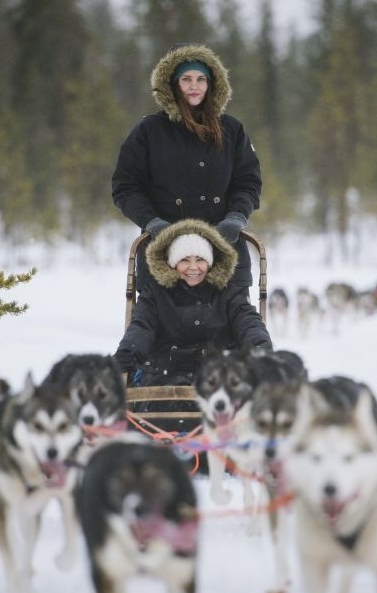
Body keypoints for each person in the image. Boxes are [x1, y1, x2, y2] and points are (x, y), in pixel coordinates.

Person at [111, 43, 262, 291]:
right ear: (172, 84)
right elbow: (125, 188)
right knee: (159, 325)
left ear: (212, 83)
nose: (194, 86)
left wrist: (237, 216)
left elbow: (248, 182)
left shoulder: (232, 130)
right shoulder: (148, 131)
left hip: (223, 249)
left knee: (236, 323)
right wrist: (152, 222)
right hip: (164, 252)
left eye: (201, 79)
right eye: (187, 79)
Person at [113, 219, 271, 389]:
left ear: (209, 263)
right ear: (173, 264)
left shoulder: (228, 293)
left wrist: (259, 347)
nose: (193, 267)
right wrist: (127, 352)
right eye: (185, 260)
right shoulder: (155, 294)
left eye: (200, 259)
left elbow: (248, 322)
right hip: (164, 373)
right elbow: (141, 327)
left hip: (219, 375)